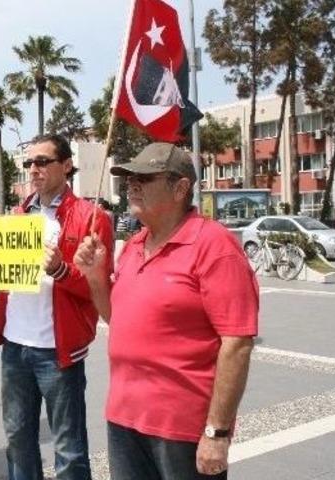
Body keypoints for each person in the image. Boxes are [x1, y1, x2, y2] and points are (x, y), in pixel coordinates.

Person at [73, 143, 259, 480]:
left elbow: (237, 343)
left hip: (182, 429)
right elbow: (117, 319)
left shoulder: (214, 245)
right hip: (125, 419)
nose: (132, 185)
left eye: (145, 178)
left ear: (180, 188)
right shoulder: (133, 246)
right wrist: (95, 277)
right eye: (130, 179)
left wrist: (217, 433)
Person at [0, 133, 113, 480]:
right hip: (15, 347)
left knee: (69, 451)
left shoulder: (92, 217)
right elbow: (3, 275)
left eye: (43, 161)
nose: (33, 169)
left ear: (66, 165)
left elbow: (100, 289)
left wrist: (61, 270)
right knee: (18, 441)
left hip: (58, 351)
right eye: (29, 162)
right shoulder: (18, 215)